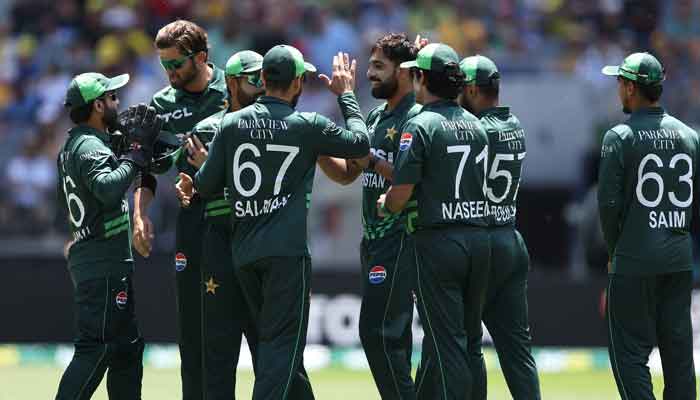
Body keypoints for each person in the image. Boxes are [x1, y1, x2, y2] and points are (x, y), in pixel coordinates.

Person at [176, 45, 369, 400]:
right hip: (286, 255)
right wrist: (347, 96)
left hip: (243, 253)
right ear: (297, 83)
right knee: (281, 351)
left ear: (263, 79)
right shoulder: (307, 125)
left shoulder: (231, 124)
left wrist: (195, 178)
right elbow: (360, 142)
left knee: (275, 352)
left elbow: (204, 184)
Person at [378, 43, 490, 400]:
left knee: (446, 346)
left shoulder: (419, 125)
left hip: (438, 244)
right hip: (479, 240)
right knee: (471, 342)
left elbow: (400, 193)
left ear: (422, 78)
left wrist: (385, 204)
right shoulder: (477, 125)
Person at [316, 33, 421, 399]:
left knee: (377, 334)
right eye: (371, 66)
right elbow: (349, 172)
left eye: (379, 66)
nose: (370, 74)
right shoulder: (376, 115)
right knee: (394, 340)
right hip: (373, 240)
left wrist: (371, 159)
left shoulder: (417, 115)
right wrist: (314, 144)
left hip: (401, 238)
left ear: (405, 71)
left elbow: (415, 177)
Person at [132, 20, 229, 400]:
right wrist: (140, 215)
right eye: (164, 66)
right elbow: (147, 170)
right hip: (193, 224)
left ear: (201, 57)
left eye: (176, 65)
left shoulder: (233, 89)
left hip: (240, 220)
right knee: (193, 334)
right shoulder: (161, 105)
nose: (169, 73)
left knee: (256, 331)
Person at [55, 72, 161, 399]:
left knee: (127, 351)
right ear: (98, 105)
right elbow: (107, 189)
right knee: (97, 349)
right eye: (112, 97)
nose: (118, 102)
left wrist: (132, 151)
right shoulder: (87, 145)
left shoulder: (79, 144)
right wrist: (133, 157)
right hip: (102, 267)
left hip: (108, 264)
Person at [599, 52, 697, 400]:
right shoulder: (690, 137)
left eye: (619, 84)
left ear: (630, 87)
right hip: (679, 261)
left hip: (634, 261)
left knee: (629, 356)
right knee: (679, 358)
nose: (618, 91)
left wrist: (614, 254)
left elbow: (608, 206)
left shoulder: (619, 136)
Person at [458, 54, 541, 400]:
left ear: (474, 90)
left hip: (480, 243)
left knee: (471, 344)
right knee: (517, 350)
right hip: (510, 238)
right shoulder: (515, 125)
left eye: (460, 89)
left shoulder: (474, 131)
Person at [183, 50, 265, 400]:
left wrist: (212, 170)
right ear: (231, 82)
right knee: (218, 351)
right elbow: (192, 191)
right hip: (220, 242)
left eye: (264, 78)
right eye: (253, 79)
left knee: (269, 351)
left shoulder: (273, 127)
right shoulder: (206, 129)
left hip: (261, 241)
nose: (261, 86)